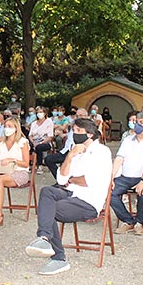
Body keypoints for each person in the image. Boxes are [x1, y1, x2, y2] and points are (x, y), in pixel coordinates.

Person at [25, 118, 112, 275]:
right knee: (47, 191)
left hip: (88, 201)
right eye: (74, 130)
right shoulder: (76, 151)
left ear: (90, 134)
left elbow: (90, 181)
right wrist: (70, 155)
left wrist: (71, 179)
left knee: (49, 209)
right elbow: (61, 179)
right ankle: (44, 238)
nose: (74, 134)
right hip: (70, 193)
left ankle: (59, 258)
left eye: (79, 131)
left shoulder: (102, 152)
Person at [109, 113, 143, 235]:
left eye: (141, 122)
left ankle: (140, 222)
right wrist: (111, 177)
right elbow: (119, 159)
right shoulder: (128, 140)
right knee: (109, 192)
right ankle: (128, 221)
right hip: (126, 177)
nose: (137, 124)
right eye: (137, 121)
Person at [0, 117, 30, 228]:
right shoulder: (1, 144)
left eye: (10, 126)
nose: (6, 129)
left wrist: (12, 160)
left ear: (16, 128)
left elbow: (26, 163)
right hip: (3, 171)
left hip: (19, 172)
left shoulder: (22, 142)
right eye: (5, 126)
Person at [45, 108, 88, 178]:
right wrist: (64, 134)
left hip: (78, 153)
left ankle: (66, 180)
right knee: (48, 159)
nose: (78, 118)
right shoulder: (74, 125)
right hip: (66, 150)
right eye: (77, 116)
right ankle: (60, 179)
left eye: (80, 115)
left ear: (86, 116)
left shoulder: (88, 127)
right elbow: (70, 136)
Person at [28, 106, 54, 174]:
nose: (39, 114)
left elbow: (50, 137)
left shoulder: (49, 122)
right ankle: (28, 164)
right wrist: (33, 142)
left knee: (39, 147)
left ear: (45, 113)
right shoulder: (34, 123)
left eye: (41, 112)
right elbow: (30, 135)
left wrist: (40, 143)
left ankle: (40, 165)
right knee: (26, 145)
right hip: (34, 141)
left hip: (45, 142)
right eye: (38, 112)